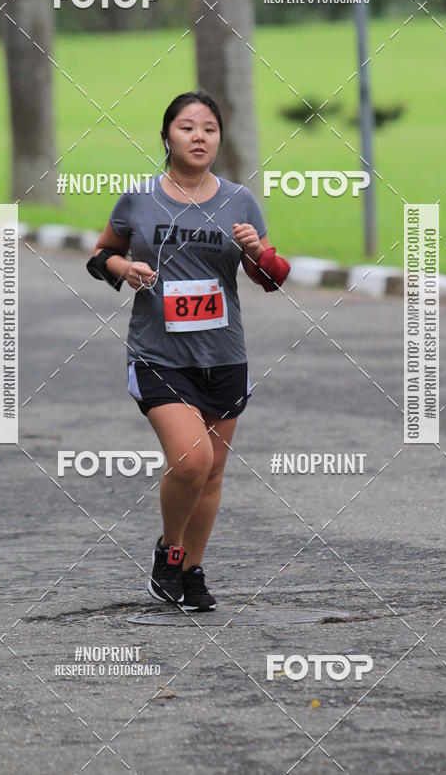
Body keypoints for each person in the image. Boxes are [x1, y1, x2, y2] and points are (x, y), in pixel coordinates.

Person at [87, 91, 290, 612]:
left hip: (223, 355)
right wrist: (123, 269)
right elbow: (101, 254)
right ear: (165, 137)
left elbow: (269, 278)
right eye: (187, 127)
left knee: (214, 471)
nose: (200, 137)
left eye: (209, 129)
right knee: (192, 460)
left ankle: (191, 568)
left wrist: (256, 252)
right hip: (158, 354)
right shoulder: (138, 198)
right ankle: (169, 551)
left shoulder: (240, 201)